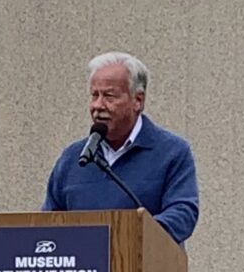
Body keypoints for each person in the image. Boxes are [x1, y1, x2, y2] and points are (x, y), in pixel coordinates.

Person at [42, 51, 198, 243]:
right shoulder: (73, 157)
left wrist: (126, 236)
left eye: (109, 96)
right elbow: (48, 223)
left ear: (137, 101)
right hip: (84, 270)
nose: (98, 105)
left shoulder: (172, 151)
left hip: (145, 268)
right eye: (94, 95)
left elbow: (183, 215)